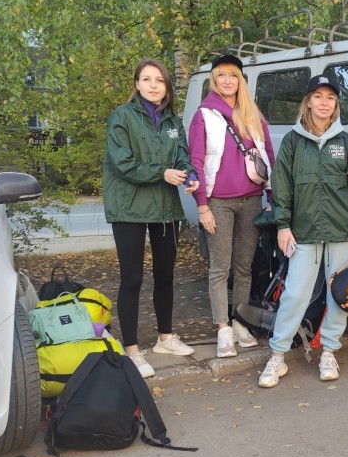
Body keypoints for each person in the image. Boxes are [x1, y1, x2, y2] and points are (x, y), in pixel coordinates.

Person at [258, 75, 348, 388]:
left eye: (331, 98)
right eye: (319, 96)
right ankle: (278, 356)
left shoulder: (345, 142)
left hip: (342, 230)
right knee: (295, 294)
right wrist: (283, 225)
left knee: (339, 294)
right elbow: (281, 187)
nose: (324, 103)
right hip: (304, 231)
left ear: (336, 105)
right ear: (308, 101)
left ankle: (329, 352)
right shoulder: (294, 142)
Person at [103, 59, 199, 378]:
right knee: (132, 279)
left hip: (164, 208)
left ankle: (165, 338)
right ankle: (131, 349)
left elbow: (182, 155)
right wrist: (163, 173)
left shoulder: (172, 119)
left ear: (167, 86)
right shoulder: (122, 116)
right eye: (147, 79)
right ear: (137, 84)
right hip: (129, 208)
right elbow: (123, 163)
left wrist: (191, 176)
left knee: (166, 276)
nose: (154, 85)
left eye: (160, 80)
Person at [189, 54, 274, 358]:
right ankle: (223, 328)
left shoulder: (252, 114)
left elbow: (268, 157)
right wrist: (202, 207)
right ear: (214, 79)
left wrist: (272, 196)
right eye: (221, 75)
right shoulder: (204, 115)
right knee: (219, 267)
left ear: (240, 80)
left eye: (233, 75)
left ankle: (240, 321)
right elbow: (195, 163)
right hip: (218, 203)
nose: (227, 81)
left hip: (251, 199)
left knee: (244, 267)